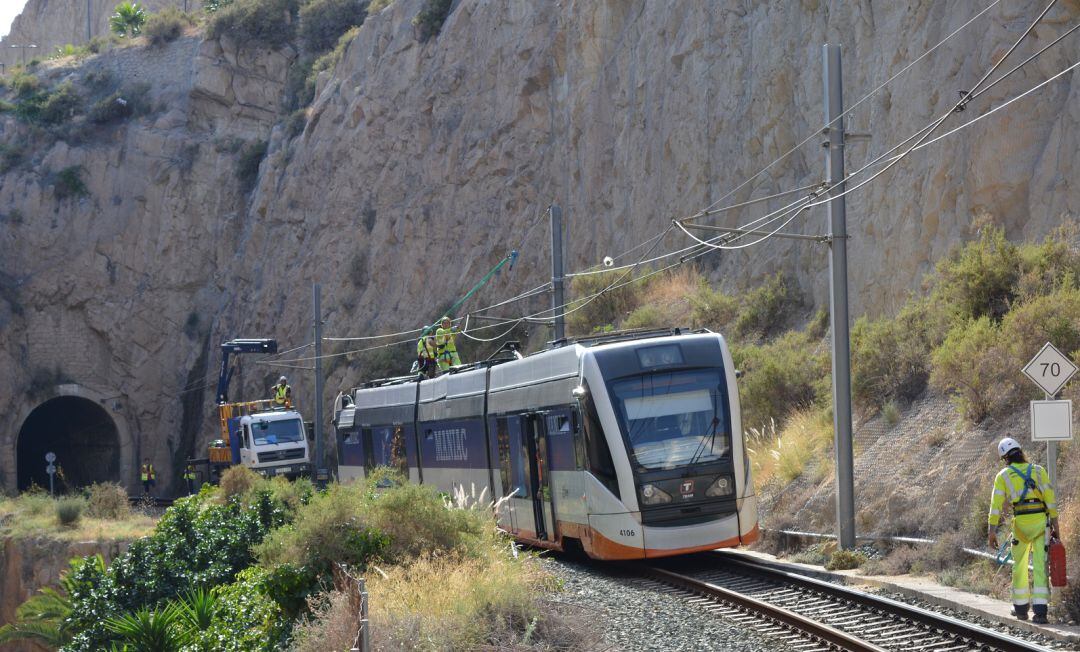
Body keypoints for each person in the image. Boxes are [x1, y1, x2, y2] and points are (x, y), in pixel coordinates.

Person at [988, 437, 1059, 624]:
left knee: (1018, 565)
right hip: (1040, 523)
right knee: (1040, 566)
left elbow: (995, 506)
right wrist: (1056, 526)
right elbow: (1051, 500)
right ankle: (1041, 612)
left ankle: (1020, 609)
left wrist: (991, 531)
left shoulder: (1003, 475)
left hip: (1020, 525)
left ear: (1005, 458)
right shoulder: (1039, 471)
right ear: (1021, 451)